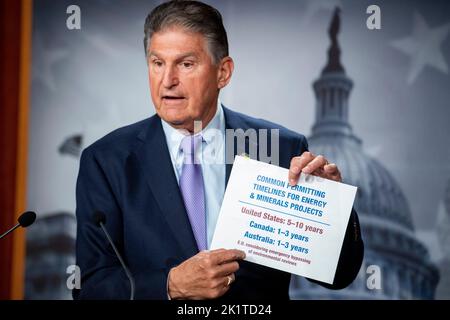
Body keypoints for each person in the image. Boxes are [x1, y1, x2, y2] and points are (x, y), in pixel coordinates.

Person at [73, 0, 363, 300]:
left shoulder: (279, 149)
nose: (167, 80)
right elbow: (90, 288)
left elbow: (338, 277)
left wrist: (332, 212)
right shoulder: (107, 161)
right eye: (157, 63)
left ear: (223, 72)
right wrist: (170, 286)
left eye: (186, 64)